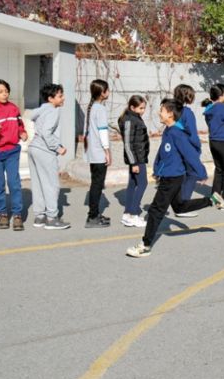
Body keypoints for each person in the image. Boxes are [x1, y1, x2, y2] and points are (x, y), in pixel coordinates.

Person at [126, 99, 213, 258]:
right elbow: (163, 151)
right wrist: (157, 168)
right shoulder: (168, 130)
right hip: (170, 175)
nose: (159, 112)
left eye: (162, 110)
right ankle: (211, 200)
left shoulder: (177, 134)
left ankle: (145, 245)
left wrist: (201, 173)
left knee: (155, 210)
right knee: (179, 207)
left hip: (172, 178)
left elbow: (191, 155)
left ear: (171, 114)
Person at [0, 79, 28, 231]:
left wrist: (22, 133)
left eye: (6, 91)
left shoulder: (14, 108)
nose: (5, 94)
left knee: (14, 184)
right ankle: (2, 213)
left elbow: (20, 125)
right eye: (1, 92)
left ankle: (17, 215)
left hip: (12, 152)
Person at [29, 83, 70, 230]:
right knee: (52, 184)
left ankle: (40, 216)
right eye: (60, 96)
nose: (63, 98)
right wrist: (58, 147)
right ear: (50, 98)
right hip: (44, 149)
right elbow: (46, 132)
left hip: (34, 147)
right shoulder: (53, 111)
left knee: (38, 183)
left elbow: (36, 122)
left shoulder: (41, 110)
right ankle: (52, 218)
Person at [202, 83, 224, 211]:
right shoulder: (223, 108)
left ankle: (214, 196)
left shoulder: (208, 109)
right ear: (222, 95)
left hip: (213, 142)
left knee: (219, 170)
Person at [172, 84, 204, 217]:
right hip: (186, 147)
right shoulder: (187, 113)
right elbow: (192, 134)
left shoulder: (171, 109)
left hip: (174, 146)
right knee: (193, 173)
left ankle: (178, 201)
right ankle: (183, 205)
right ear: (188, 96)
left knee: (181, 174)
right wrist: (198, 147)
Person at [118, 95, 150, 227]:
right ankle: (133, 214)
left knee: (132, 184)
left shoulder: (134, 118)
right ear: (132, 107)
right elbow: (127, 144)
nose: (143, 110)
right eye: (140, 108)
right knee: (143, 183)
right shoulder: (129, 120)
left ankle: (127, 214)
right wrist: (134, 163)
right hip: (137, 159)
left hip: (138, 157)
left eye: (144, 108)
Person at [84, 79, 112, 228]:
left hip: (92, 152)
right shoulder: (100, 109)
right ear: (102, 93)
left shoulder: (91, 108)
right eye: (107, 90)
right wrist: (107, 151)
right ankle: (92, 216)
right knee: (97, 185)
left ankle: (94, 213)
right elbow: (102, 131)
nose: (109, 92)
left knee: (96, 183)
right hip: (99, 152)